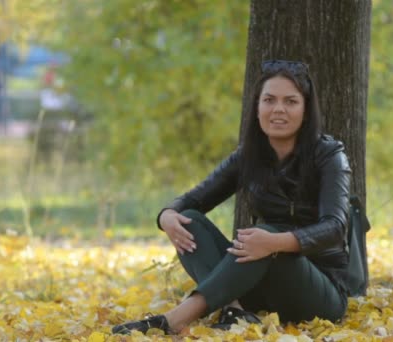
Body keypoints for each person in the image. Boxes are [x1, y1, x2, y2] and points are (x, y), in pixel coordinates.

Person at [112, 60, 352, 335]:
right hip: (260, 284)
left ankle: (176, 318)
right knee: (188, 221)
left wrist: (275, 241)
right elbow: (194, 200)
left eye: (291, 101)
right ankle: (235, 310)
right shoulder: (249, 156)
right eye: (269, 100)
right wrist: (166, 215)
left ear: (306, 110)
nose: (278, 109)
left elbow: (336, 227)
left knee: (262, 234)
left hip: (319, 291)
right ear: (257, 108)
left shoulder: (330, 156)